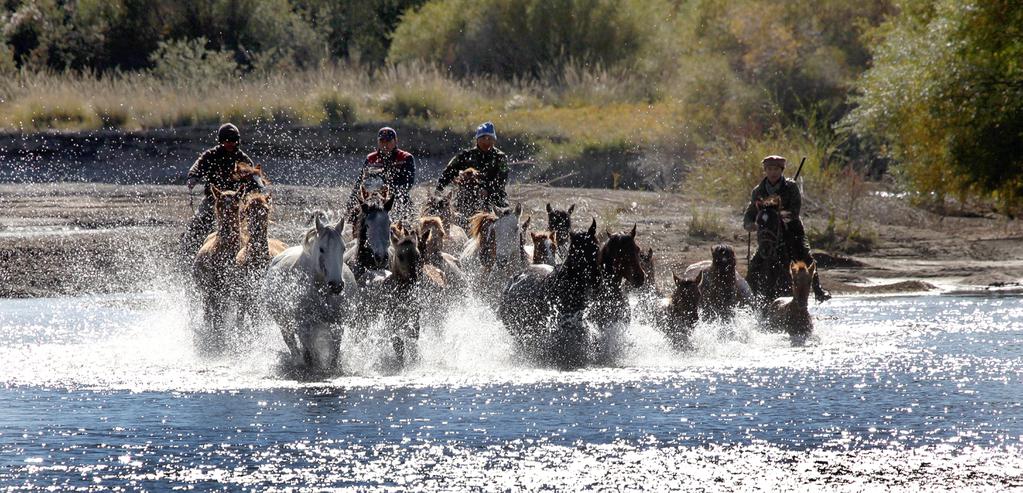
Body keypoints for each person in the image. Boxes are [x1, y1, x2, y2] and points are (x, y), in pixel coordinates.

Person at [742, 155, 831, 302]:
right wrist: (749, 225)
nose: (773, 172)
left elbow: (795, 212)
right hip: (768, 234)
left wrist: (780, 216)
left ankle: (818, 289)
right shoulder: (757, 191)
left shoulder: (791, 187)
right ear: (765, 170)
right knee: (754, 264)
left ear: (781, 170)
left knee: (806, 256)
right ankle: (747, 295)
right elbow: (750, 213)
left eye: (776, 169)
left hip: (792, 230)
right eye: (770, 169)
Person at [181, 123, 257, 258]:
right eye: (225, 141)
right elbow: (197, 167)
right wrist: (193, 177)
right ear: (220, 141)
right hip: (213, 200)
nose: (229, 144)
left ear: (237, 141)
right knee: (195, 226)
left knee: (256, 225)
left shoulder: (243, 159)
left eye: (232, 141)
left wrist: (258, 186)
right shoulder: (210, 155)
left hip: (237, 203)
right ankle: (188, 255)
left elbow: (254, 178)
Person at [344, 127, 416, 224]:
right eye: (382, 141)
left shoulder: (406, 157)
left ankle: (408, 224)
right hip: (372, 197)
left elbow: (408, 183)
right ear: (378, 142)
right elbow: (359, 183)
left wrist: (388, 188)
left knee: (405, 211)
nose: (385, 144)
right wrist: (351, 202)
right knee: (353, 215)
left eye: (388, 141)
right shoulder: (370, 158)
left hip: (397, 197)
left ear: (395, 141)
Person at [435, 121, 509, 208]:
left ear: (494, 140)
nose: (486, 142)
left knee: (505, 215)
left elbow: (502, 179)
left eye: (490, 139)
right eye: (483, 138)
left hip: (494, 197)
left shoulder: (500, 157)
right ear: (477, 140)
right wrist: (439, 189)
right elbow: (448, 172)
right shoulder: (465, 156)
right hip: (467, 198)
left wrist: (487, 190)